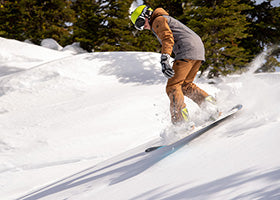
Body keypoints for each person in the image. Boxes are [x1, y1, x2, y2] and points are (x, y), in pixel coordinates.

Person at [130, 5, 217, 125]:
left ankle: (180, 123)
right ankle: (211, 107)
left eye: (140, 22)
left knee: (173, 86)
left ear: (146, 15)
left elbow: (167, 38)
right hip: (197, 49)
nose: (143, 27)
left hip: (186, 50)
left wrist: (165, 59)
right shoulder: (164, 18)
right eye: (138, 26)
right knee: (186, 86)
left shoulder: (157, 20)